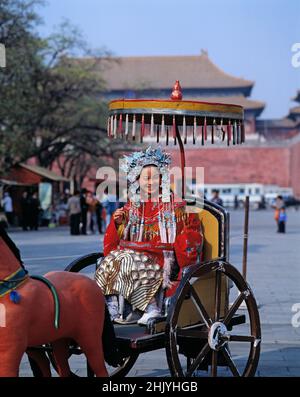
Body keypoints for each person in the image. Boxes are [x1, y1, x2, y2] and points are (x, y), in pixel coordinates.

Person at [95, 147, 203, 325]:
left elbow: (190, 235)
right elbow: (115, 239)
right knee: (112, 258)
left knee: (128, 258)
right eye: (145, 178)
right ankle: (112, 305)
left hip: (164, 259)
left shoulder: (177, 205)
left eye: (155, 177)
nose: (150, 182)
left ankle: (152, 307)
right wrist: (118, 223)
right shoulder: (133, 205)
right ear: (137, 180)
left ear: (162, 179)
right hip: (136, 256)